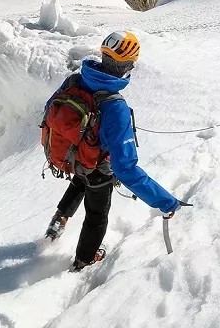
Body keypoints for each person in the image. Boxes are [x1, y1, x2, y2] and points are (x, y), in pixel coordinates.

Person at [44, 31, 181, 272]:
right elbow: (125, 168)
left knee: (80, 178)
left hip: (71, 154)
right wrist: (166, 201)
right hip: (96, 166)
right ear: (127, 65)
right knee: (97, 214)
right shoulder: (115, 106)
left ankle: (60, 218)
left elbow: (49, 111)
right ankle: (83, 260)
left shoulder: (75, 80)